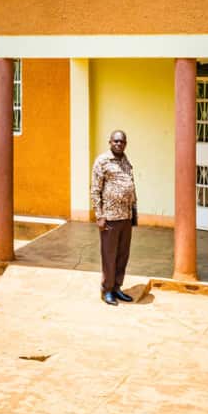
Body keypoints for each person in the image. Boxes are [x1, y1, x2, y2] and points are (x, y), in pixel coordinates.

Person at [90, 130, 137, 306]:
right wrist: (99, 216)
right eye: (116, 141)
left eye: (122, 142)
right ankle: (107, 290)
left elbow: (132, 187)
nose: (119, 144)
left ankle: (117, 287)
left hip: (125, 216)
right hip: (109, 217)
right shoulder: (102, 161)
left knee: (123, 255)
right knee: (109, 256)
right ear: (110, 142)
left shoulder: (126, 160)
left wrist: (134, 214)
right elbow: (95, 189)